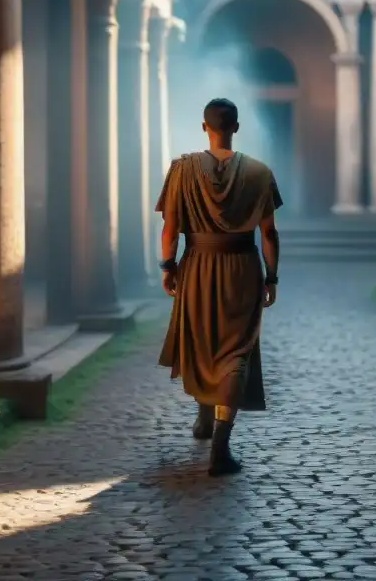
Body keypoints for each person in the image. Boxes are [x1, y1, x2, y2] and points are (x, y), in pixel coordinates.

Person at [155, 97, 282, 477]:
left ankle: (203, 418)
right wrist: (271, 276)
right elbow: (269, 233)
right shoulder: (259, 172)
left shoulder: (181, 170)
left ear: (204, 127)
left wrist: (167, 266)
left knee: (202, 340)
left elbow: (170, 228)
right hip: (243, 269)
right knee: (235, 349)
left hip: (196, 266)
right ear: (236, 127)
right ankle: (219, 444)